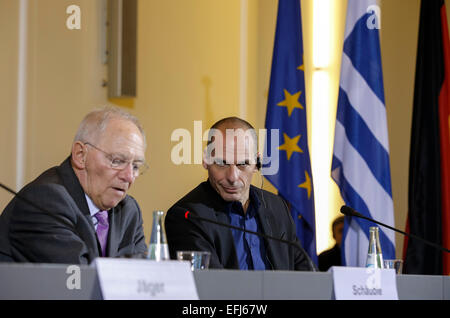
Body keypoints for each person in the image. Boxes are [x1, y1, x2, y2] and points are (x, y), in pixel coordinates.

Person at [0, 107, 148, 264]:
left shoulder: (128, 211)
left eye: (136, 166)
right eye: (117, 161)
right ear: (80, 155)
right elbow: (76, 281)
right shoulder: (44, 201)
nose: (129, 176)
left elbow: (141, 279)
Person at [165, 117, 316, 271]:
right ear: (206, 160)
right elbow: (211, 287)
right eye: (222, 163)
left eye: (243, 164)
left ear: (257, 163)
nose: (233, 177)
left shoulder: (277, 207)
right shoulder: (186, 216)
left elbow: (306, 275)